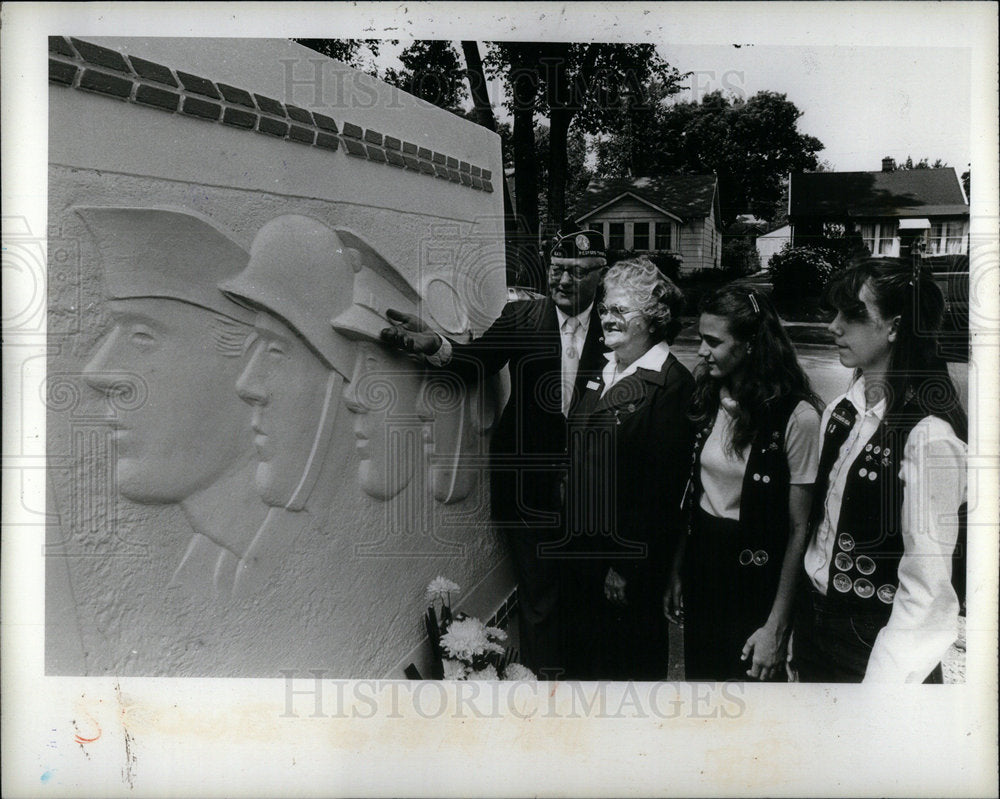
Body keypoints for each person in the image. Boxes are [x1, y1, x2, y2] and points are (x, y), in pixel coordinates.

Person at [380, 230, 610, 675]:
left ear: (600, 275)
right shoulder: (522, 316)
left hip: (592, 485)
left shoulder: (617, 326)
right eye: (557, 269)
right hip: (528, 484)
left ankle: (588, 688)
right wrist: (435, 345)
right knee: (539, 597)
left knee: (587, 592)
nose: (563, 281)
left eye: (579, 273)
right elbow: (475, 363)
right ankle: (548, 696)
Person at [77, 206, 268, 596]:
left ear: (251, 364)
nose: (96, 372)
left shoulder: (270, 556)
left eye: (143, 336)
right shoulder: (209, 563)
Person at [793, 257, 967, 683]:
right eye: (834, 313)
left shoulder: (929, 436)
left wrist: (885, 687)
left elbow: (927, 591)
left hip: (872, 642)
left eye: (853, 315)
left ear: (895, 327)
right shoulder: (842, 409)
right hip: (815, 622)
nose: (834, 326)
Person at [665, 285, 822, 681]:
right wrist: (679, 569)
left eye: (713, 341)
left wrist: (776, 626)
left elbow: (800, 528)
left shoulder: (797, 417)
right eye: (700, 338)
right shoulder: (707, 397)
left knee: (749, 698)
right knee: (703, 688)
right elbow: (695, 491)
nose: (701, 350)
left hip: (757, 579)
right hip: (705, 565)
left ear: (752, 343)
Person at [561, 256, 694, 680]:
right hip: (584, 549)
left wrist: (626, 565)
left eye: (620, 310)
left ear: (653, 318)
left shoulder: (670, 384)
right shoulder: (603, 369)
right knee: (587, 660)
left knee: (627, 666)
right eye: (604, 309)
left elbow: (661, 489)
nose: (606, 318)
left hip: (625, 560)